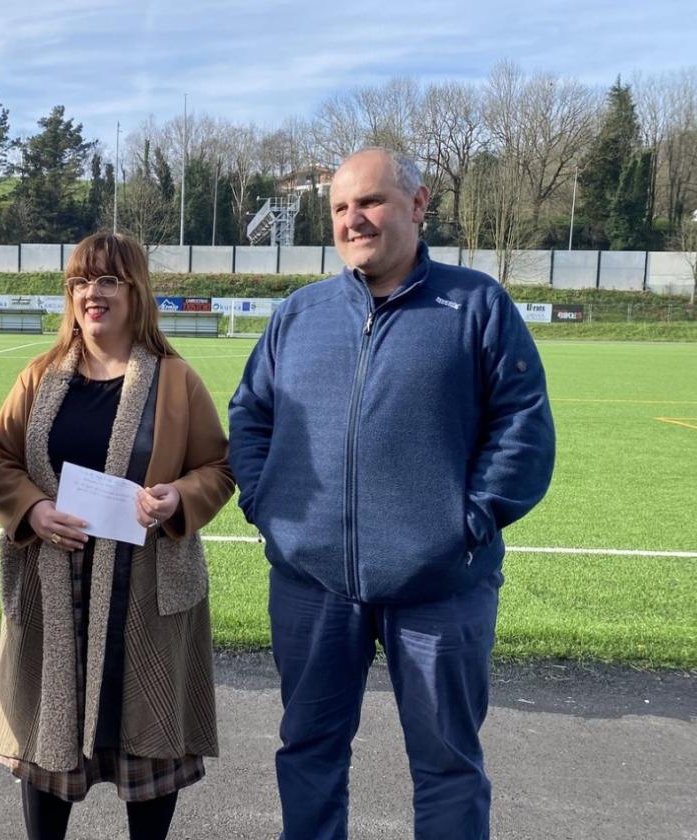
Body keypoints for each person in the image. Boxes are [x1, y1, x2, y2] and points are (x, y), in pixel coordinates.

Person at [228, 148, 555, 840]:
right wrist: (270, 511)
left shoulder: (475, 305)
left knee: (447, 767)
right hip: (311, 584)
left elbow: (523, 429)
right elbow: (250, 416)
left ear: (418, 203)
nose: (354, 219)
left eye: (370, 201)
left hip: (441, 588)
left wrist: (460, 527)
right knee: (308, 754)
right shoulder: (300, 314)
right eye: (342, 207)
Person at [0, 232, 234, 840]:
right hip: (55, 593)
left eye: (107, 281)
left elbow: (219, 468)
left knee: (148, 746)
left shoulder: (176, 381)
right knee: (49, 754)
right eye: (79, 281)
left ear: (135, 291)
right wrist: (33, 510)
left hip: (145, 595)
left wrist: (178, 497)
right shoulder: (40, 378)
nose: (90, 294)